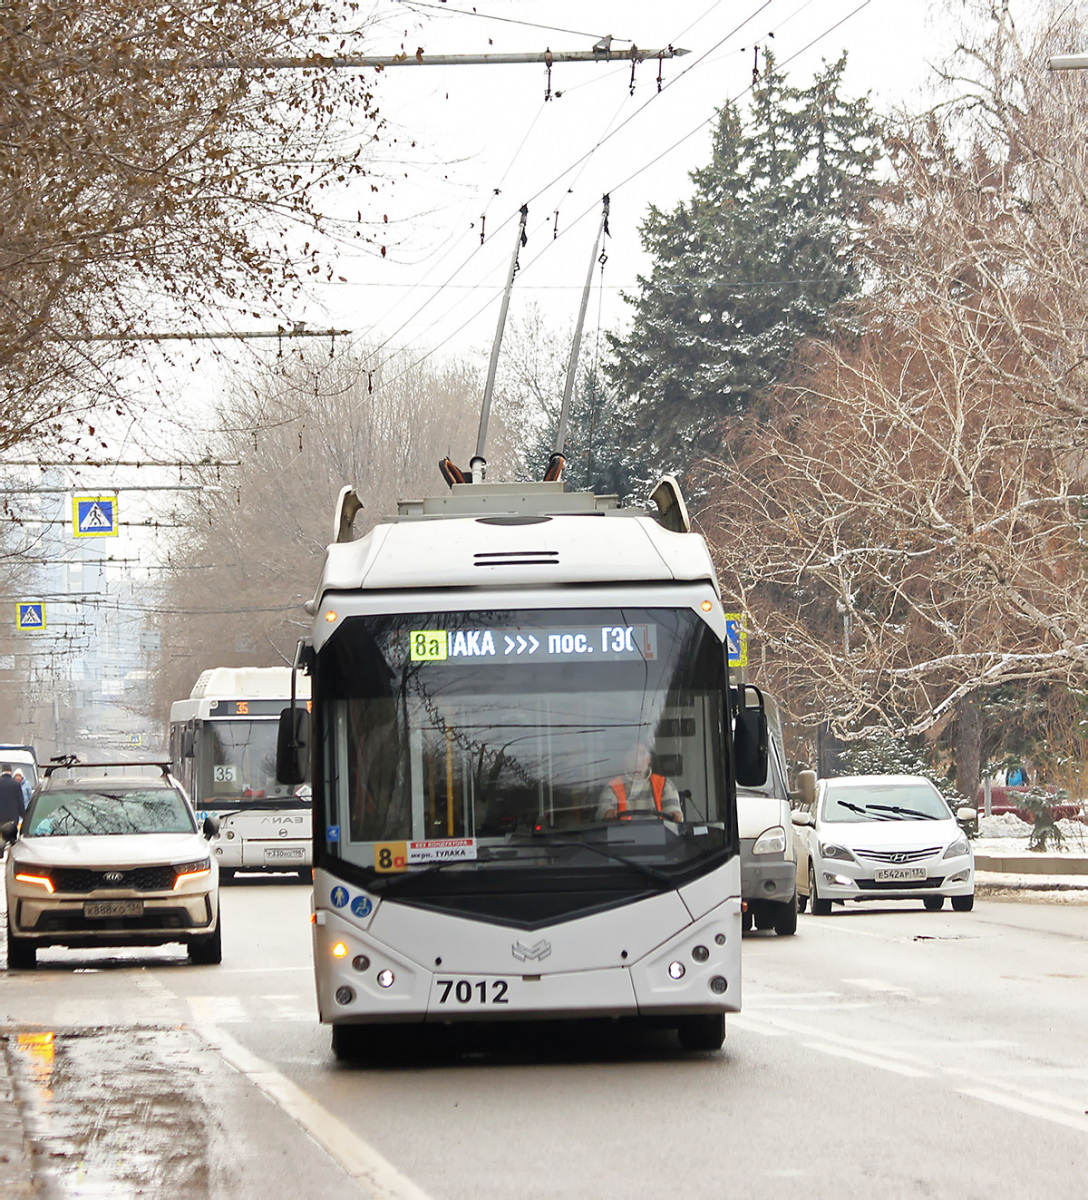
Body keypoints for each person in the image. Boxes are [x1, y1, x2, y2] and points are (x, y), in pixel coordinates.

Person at [596, 743, 683, 822]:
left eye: (642, 754)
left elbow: (674, 818)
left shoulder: (664, 785)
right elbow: (602, 813)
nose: (638, 759)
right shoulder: (613, 787)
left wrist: (675, 815)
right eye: (634, 754)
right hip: (623, 836)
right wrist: (608, 813)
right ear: (626, 759)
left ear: (648, 760)